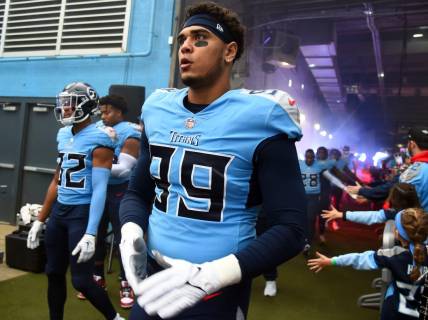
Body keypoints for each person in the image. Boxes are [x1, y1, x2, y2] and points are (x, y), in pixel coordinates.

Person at [118, 2, 307, 319]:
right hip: (154, 278)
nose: (186, 47)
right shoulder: (157, 108)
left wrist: (212, 276)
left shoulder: (261, 115)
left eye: (200, 38)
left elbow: (291, 228)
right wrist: (131, 230)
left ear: (229, 51)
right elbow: (138, 192)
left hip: (217, 291)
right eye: (182, 40)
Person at [26, 82, 124, 320]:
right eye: (64, 104)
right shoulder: (63, 134)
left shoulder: (100, 138)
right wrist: (41, 219)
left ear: (86, 105)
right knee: (53, 272)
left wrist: (92, 232)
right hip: (60, 212)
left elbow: (100, 188)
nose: (65, 109)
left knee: (81, 280)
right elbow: (57, 180)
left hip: (81, 213)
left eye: (69, 104)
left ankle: (115, 318)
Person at [76, 94, 141, 309]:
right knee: (97, 232)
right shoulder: (97, 130)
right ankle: (97, 276)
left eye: (108, 111)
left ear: (120, 112)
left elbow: (123, 170)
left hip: (120, 191)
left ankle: (126, 281)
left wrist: (93, 166)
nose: (103, 116)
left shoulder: (130, 132)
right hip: (98, 189)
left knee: (124, 237)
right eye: (101, 112)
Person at [308, 207, 428, 320]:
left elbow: (360, 259)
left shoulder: (392, 256)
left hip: (393, 314)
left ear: (399, 234)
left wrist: (332, 261)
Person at [347, 127, 428, 210]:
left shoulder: (414, 170)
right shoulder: (417, 167)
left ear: (412, 144)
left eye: (407, 143)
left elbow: (391, 188)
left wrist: (362, 191)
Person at [322, 183, 420, 225]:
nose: (389, 200)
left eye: (391, 196)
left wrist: (341, 215)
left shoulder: (395, 214)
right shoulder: (420, 215)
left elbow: (372, 216)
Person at [299, 149, 324, 247]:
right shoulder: (300, 164)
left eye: (311, 157)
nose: (309, 159)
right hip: (302, 196)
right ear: (305, 157)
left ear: (314, 158)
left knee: (311, 218)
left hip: (314, 196)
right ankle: (304, 237)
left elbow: (329, 174)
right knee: (302, 218)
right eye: (307, 157)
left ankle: (308, 242)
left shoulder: (319, 165)